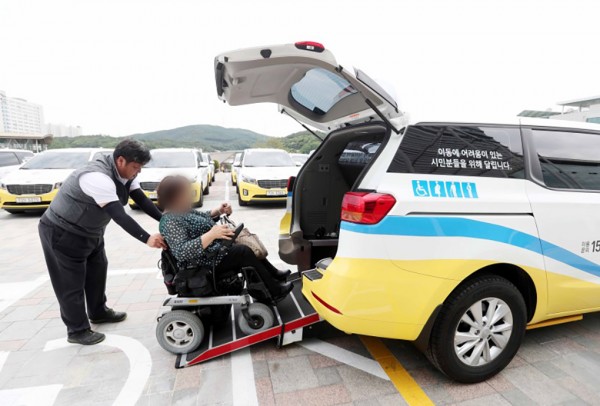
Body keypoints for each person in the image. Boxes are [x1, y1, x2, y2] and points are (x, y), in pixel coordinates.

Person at [38, 140, 167, 345]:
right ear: (121, 160)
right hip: (63, 232)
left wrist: (166, 221)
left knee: (97, 271)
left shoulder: (125, 174)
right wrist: (147, 238)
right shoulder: (96, 177)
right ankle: (77, 330)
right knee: (70, 283)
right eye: (136, 167)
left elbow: (141, 199)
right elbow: (119, 214)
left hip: (90, 231)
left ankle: (98, 312)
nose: (138, 172)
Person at [157, 175, 293, 300]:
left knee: (246, 245)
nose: (189, 196)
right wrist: (211, 235)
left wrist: (219, 210)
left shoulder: (181, 211)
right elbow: (182, 252)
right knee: (243, 251)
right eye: (186, 193)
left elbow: (204, 216)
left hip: (212, 252)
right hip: (204, 262)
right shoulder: (170, 221)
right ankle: (274, 291)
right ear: (174, 197)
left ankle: (273, 274)